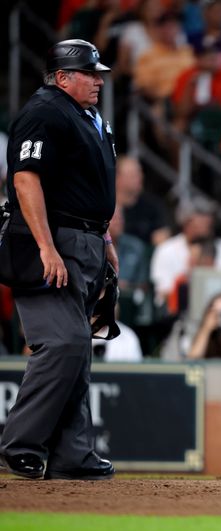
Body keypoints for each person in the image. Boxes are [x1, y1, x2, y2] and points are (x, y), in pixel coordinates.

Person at [0, 40, 118, 480]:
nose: (98, 80)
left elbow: (88, 186)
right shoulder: (44, 111)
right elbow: (26, 180)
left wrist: (105, 237)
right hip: (49, 240)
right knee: (65, 343)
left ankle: (73, 454)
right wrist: (47, 247)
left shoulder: (86, 116)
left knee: (78, 351)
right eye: (89, 73)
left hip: (84, 238)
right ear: (63, 77)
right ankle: (20, 442)